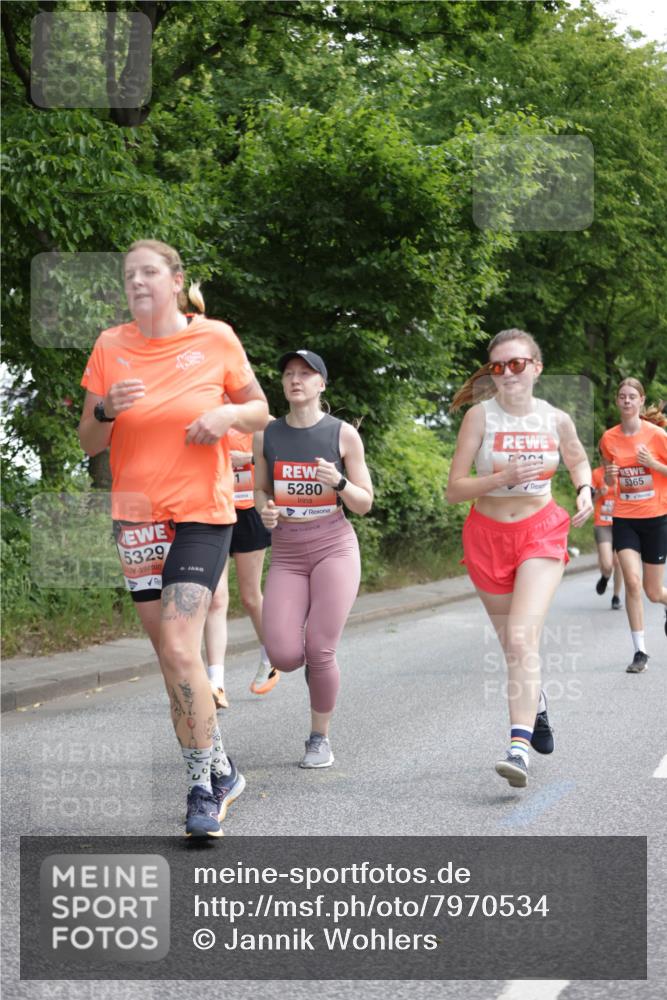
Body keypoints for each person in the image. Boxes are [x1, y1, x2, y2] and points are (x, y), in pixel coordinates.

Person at [78, 239, 269, 837]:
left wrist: (227, 417)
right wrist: (105, 409)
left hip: (201, 513)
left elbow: (261, 410)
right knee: (170, 658)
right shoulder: (111, 346)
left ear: (175, 279)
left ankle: (199, 788)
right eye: (129, 273)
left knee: (184, 648)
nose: (137, 281)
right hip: (136, 517)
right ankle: (221, 765)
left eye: (149, 272)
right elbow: (88, 440)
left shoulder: (215, 337)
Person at [447, 328, 593, 789]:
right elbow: (454, 490)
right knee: (514, 646)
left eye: (516, 364)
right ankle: (539, 703)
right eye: (498, 366)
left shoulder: (557, 419)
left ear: (536, 367)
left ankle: (518, 747)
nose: (507, 373)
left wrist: (586, 489)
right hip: (486, 536)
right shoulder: (478, 418)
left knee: (520, 637)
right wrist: (500, 477)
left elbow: (577, 461)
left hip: (541, 532)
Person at [253, 350, 373, 768]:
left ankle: (318, 739)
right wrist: (265, 510)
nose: (295, 380)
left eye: (305, 374)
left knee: (320, 650)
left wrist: (338, 481)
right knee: (284, 654)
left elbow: (364, 503)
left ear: (322, 384)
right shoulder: (266, 435)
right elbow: (260, 491)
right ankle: (312, 666)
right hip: (287, 550)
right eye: (288, 374)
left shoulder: (342, 435)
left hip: (333, 545)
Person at [204, 416, 278, 709]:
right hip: (213, 510)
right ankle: (216, 683)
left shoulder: (261, 418)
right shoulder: (205, 412)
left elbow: (281, 458)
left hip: (249, 511)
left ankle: (270, 657)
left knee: (250, 596)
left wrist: (247, 458)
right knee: (215, 599)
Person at [599, 379, 667, 673]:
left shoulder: (658, 435)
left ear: (641, 401)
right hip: (625, 518)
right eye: (621, 396)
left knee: (653, 591)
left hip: (656, 518)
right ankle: (640, 651)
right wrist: (611, 477)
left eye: (631, 397)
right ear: (617, 401)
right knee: (632, 580)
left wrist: (653, 463)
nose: (626, 401)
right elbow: (608, 481)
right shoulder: (608, 438)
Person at [591, 462, 623, 609]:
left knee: (619, 563)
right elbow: (589, 499)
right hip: (602, 523)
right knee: (607, 564)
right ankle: (605, 576)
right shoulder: (596, 473)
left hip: (621, 523)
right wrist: (599, 494)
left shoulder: (623, 471)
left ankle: (616, 597)